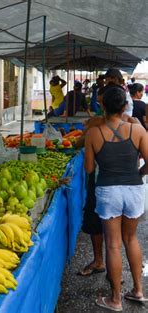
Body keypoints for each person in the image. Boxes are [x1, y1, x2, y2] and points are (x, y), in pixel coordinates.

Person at [85, 87, 148, 311]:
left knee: (112, 244)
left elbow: (90, 168)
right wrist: (138, 174)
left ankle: (116, 299)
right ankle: (138, 291)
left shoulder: (94, 133)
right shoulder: (138, 130)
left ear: (103, 107)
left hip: (108, 191)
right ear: (124, 107)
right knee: (131, 239)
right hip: (134, 190)